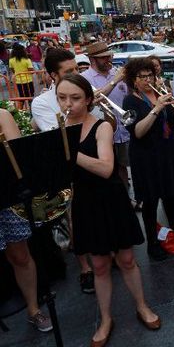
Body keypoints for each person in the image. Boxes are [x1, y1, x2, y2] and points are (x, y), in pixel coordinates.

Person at [55, 74, 160, 346]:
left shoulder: (101, 126)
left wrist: (67, 151)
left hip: (110, 197)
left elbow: (105, 168)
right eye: (62, 97)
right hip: (84, 202)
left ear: (88, 99)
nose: (68, 104)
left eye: (75, 98)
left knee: (126, 259)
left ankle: (141, 306)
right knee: (99, 265)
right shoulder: (58, 129)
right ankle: (105, 318)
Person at [31, 48, 98, 294]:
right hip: (64, 169)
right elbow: (60, 139)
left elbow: (101, 127)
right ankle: (84, 268)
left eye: (76, 69)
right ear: (52, 75)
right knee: (74, 218)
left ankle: (102, 253)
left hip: (91, 161)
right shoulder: (41, 103)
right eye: (68, 71)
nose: (75, 74)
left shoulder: (85, 92)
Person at [122, 58, 174, 261]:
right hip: (146, 157)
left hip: (167, 152)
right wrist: (156, 108)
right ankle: (152, 242)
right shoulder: (131, 101)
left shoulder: (162, 93)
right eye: (142, 77)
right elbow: (137, 132)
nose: (147, 80)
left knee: (170, 196)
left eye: (150, 75)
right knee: (151, 201)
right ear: (134, 81)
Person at [0, 109, 53, 333]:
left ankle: (33, 309)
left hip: (5, 196)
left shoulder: (1, 115)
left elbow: (18, 158)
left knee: (20, 255)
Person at [81, 42, 129, 188]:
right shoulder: (84, 78)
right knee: (110, 170)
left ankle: (127, 198)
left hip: (123, 128)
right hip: (101, 132)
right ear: (92, 60)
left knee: (122, 167)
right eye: (103, 58)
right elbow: (96, 98)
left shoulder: (116, 73)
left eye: (109, 56)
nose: (108, 59)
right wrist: (115, 81)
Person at [148, 55, 174, 204]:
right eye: (152, 66)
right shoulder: (147, 87)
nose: (156, 68)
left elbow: (173, 99)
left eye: (157, 65)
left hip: (171, 125)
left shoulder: (165, 82)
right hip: (158, 127)